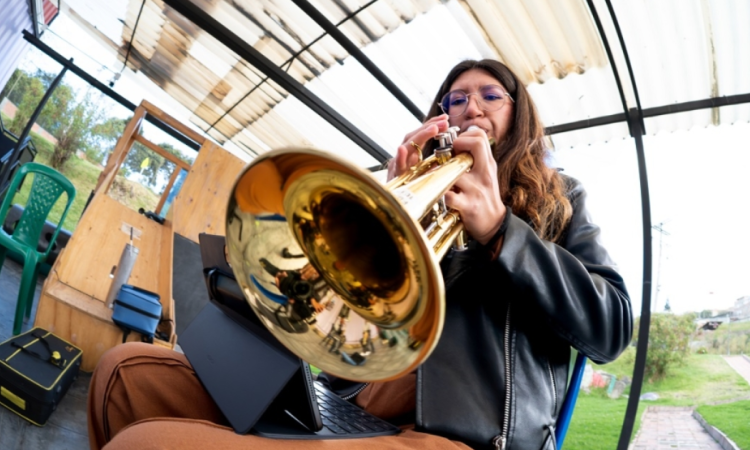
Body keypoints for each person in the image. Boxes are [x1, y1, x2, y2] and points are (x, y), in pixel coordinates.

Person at [87, 59, 632, 450]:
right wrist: (397, 211)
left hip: (459, 434)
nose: (472, 105)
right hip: (349, 402)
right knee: (123, 377)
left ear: (520, 118)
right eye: (457, 97)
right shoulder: (425, 190)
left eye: (491, 95)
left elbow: (612, 326)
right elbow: (353, 328)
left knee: (148, 443)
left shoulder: (558, 200)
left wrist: (500, 232)